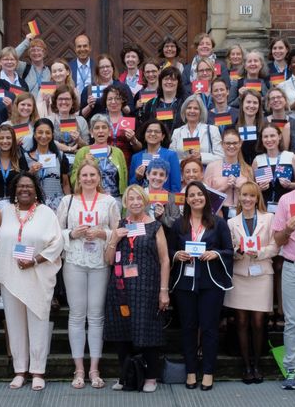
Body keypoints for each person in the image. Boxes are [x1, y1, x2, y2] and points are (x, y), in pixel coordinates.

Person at [0, 172, 64, 391]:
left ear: (36, 190)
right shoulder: (4, 212)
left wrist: (35, 260)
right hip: (10, 276)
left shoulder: (46, 213)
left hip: (37, 275)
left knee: (39, 323)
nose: (24, 189)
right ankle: (20, 371)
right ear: (14, 190)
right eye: (20, 186)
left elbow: (57, 244)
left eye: (29, 186)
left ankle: (38, 371)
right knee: (14, 325)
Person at [56, 161, 119, 389]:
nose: (89, 178)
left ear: (99, 177)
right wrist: (71, 233)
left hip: (100, 262)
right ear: (77, 177)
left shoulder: (109, 201)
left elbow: (117, 231)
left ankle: (94, 368)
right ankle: (79, 369)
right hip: (74, 260)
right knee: (76, 315)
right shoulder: (67, 201)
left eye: (93, 175)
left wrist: (104, 233)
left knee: (96, 316)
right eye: (84, 175)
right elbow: (56, 232)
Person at [103, 185, 170, 392]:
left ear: (145, 201)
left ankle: (151, 377)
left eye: (139, 199)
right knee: (122, 333)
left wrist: (163, 290)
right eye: (130, 199)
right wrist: (114, 239)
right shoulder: (120, 224)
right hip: (122, 288)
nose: (135, 202)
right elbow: (108, 260)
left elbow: (165, 259)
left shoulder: (155, 226)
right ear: (125, 202)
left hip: (147, 288)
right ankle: (124, 377)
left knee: (148, 331)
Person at [170, 181, 233, 390]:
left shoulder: (218, 222)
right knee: (188, 328)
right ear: (186, 200)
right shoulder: (179, 224)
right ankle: (190, 371)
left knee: (209, 329)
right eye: (192, 195)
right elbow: (168, 252)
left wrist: (216, 254)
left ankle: (207, 372)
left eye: (200, 194)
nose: (196, 198)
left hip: (210, 283)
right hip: (185, 284)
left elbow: (229, 251)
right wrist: (177, 255)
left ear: (206, 197)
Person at [226, 182, 277, 383]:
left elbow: (276, 246)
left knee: (257, 322)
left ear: (258, 198)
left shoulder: (269, 218)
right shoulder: (232, 222)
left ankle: (257, 364)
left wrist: (261, 252)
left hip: (262, 273)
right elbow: (229, 251)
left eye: (252, 196)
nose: (247, 199)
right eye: (244, 195)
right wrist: (238, 253)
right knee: (241, 322)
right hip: (240, 274)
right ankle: (246, 366)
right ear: (239, 197)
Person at [71, 115, 128, 199]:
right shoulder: (82, 152)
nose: (100, 131)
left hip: (115, 200)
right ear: (91, 132)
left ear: (109, 132)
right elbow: (73, 180)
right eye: (97, 128)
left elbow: (124, 178)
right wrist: (84, 164)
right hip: (90, 200)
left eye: (104, 127)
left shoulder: (118, 152)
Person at [25, 118, 72, 209]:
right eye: (40, 132)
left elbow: (65, 183)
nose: (44, 136)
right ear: (34, 134)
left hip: (57, 205)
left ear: (52, 135)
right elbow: (22, 182)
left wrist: (69, 204)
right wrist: (30, 172)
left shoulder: (60, 157)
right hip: (33, 204)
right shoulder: (26, 158)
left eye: (47, 132)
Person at [130, 120, 181, 193]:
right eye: (149, 131)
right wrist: (137, 178)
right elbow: (131, 186)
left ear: (162, 136)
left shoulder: (171, 155)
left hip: (164, 201)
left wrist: (171, 203)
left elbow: (175, 185)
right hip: (141, 201)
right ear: (144, 135)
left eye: (157, 132)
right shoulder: (136, 157)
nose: (153, 134)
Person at [170, 95, 223, 165]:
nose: (192, 111)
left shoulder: (212, 130)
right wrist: (185, 161)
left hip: (206, 173)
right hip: (183, 173)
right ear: (184, 111)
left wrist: (201, 157)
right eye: (189, 108)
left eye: (196, 108)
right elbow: (171, 159)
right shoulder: (177, 132)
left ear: (201, 112)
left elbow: (221, 157)